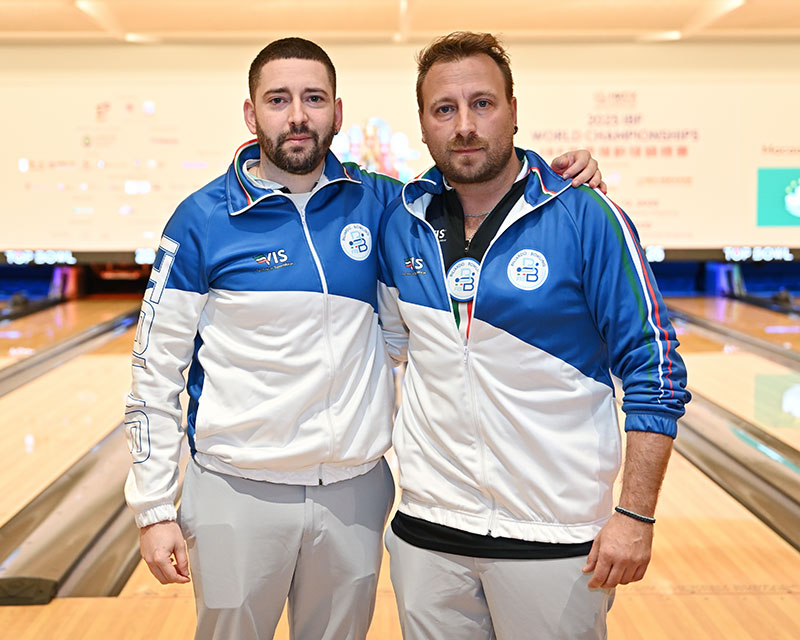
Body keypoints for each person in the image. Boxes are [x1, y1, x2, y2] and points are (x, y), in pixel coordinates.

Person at [123, 37, 602, 640]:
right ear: (251, 113)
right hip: (236, 491)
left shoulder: (380, 203)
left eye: (314, 98)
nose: (297, 116)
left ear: (337, 111)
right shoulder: (202, 220)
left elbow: (476, 181)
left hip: (353, 493)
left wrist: (562, 176)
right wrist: (153, 508)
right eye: (278, 99)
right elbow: (155, 370)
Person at [377, 31, 690, 640]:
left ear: (513, 110)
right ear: (423, 125)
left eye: (482, 103)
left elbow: (655, 366)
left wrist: (635, 514)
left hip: (556, 537)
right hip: (428, 531)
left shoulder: (585, 216)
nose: (465, 125)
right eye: (445, 109)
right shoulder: (401, 221)